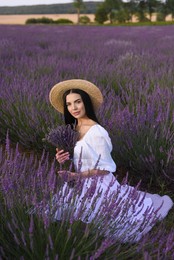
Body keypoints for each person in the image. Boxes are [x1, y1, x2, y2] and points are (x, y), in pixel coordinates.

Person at [49, 79, 173, 243]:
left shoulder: (98, 132)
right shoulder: (73, 129)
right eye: (69, 104)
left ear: (86, 102)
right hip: (79, 181)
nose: (74, 108)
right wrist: (63, 157)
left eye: (78, 102)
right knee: (62, 210)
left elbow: (106, 169)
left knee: (109, 217)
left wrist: (75, 176)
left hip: (99, 183)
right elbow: (80, 156)